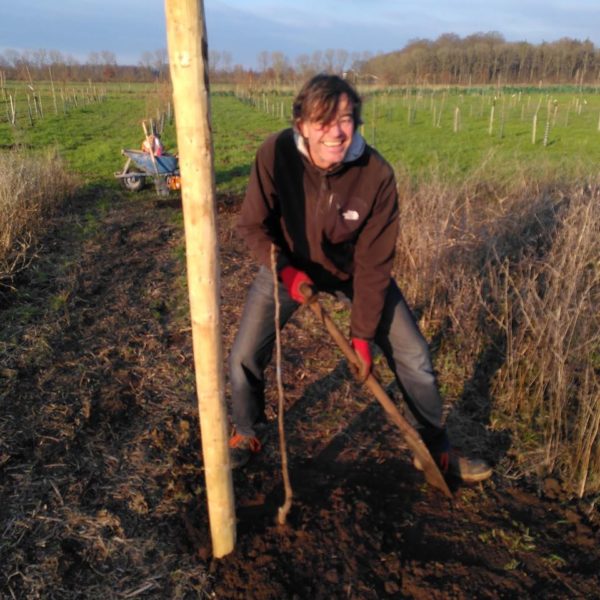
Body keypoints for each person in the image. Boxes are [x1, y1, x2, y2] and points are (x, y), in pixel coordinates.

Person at [228, 74, 492, 483]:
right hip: (288, 267)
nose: (336, 132)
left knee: (415, 357)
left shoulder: (376, 175)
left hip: (353, 274)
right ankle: (247, 432)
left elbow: (375, 263)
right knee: (243, 357)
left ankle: (435, 448)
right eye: (323, 122)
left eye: (346, 119)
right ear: (301, 125)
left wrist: (363, 336)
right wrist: (286, 271)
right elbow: (252, 226)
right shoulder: (275, 154)